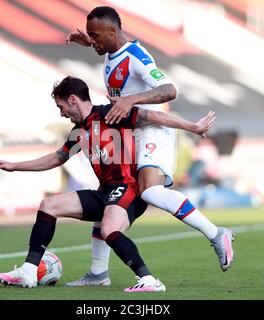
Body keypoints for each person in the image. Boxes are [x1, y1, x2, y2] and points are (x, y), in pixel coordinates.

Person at [0, 76, 217, 292]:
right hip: (105, 192)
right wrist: (14, 166)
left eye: (61, 107)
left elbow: (153, 117)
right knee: (49, 205)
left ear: (73, 100)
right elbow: (57, 158)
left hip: (128, 189)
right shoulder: (78, 132)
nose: (61, 113)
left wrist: (193, 127)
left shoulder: (111, 114)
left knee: (108, 230)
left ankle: (149, 280)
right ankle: (28, 272)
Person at [65, 6, 235, 286]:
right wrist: (89, 43)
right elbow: (111, 60)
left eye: (96, 36)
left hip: (154, 129)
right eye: (90, 37)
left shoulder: (137, 57)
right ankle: (98, 273)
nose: (92, 40)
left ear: (113, 31)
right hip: (134, 132)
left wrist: (131, 100)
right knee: (108, 195)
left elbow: (170, 90)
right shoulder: (111, 51)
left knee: (152, 192)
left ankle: (217, 234)